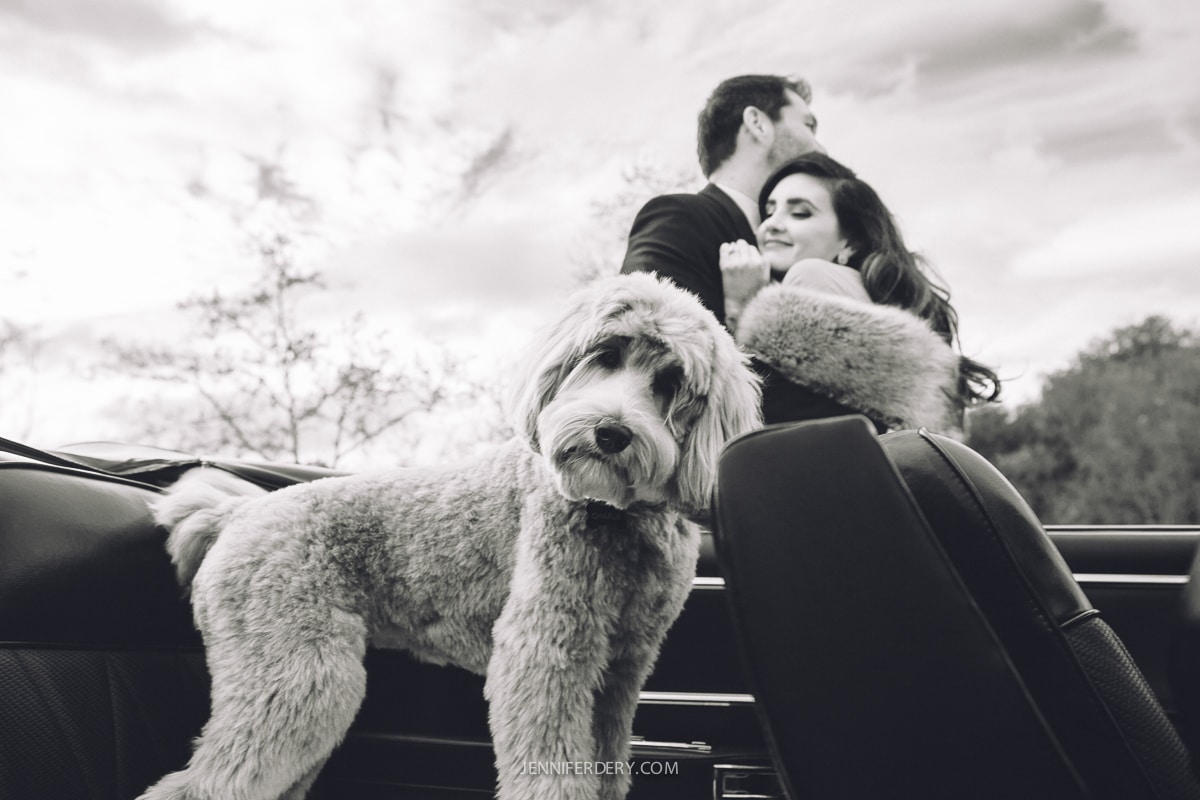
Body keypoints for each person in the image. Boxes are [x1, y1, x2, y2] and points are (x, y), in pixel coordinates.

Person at [718, 152, 1001, 433]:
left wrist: (741, 306)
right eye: (768, 211)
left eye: (800, 213)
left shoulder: (810, 275)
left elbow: (767, 415)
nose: (771, 224)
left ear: (849, 243)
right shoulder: (871, 295)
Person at [620, 74, 822, 325]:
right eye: (809, 126)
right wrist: (745, 309)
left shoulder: (800, 250)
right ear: (758, 123)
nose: (820, 148)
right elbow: (642, 343)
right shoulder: (679, 219)